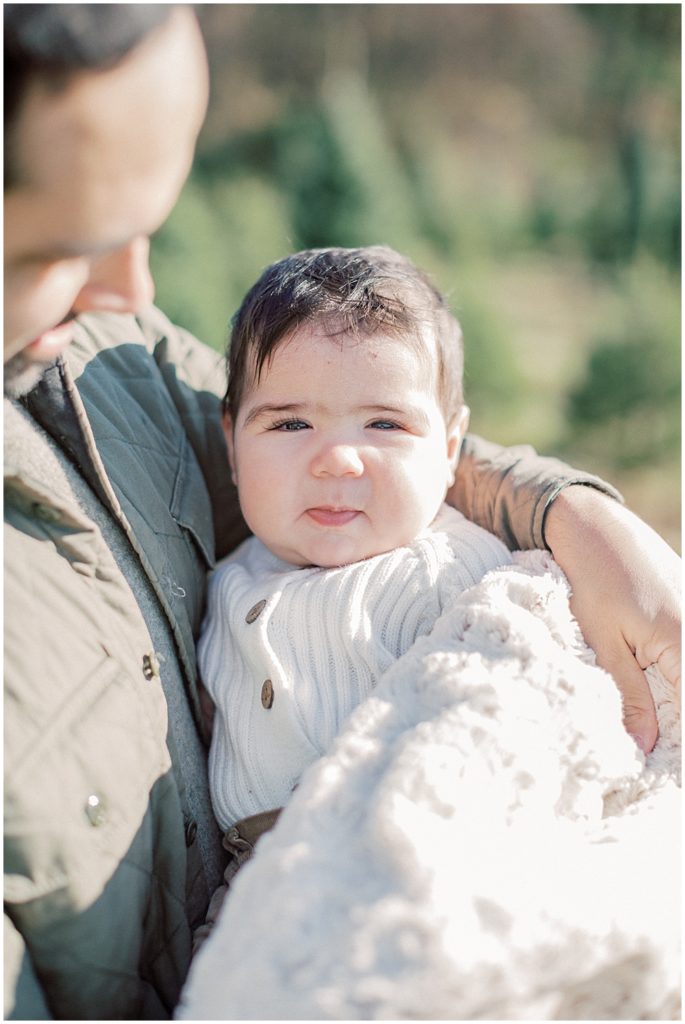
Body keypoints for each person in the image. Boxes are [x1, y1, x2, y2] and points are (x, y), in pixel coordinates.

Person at [3, 4, 680, 1020]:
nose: (132, 287)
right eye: (63, 244)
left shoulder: (104, 346)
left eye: (150, 218)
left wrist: (573, 518)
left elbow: (355, 435)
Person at [200, 245, 512, 839]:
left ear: (448, 450)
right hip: (242, 884)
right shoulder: (226, 574)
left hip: (396, 850)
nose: (338, 461)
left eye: (385, 424)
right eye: (291, 424)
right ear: (233, 443)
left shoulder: (458, 577)